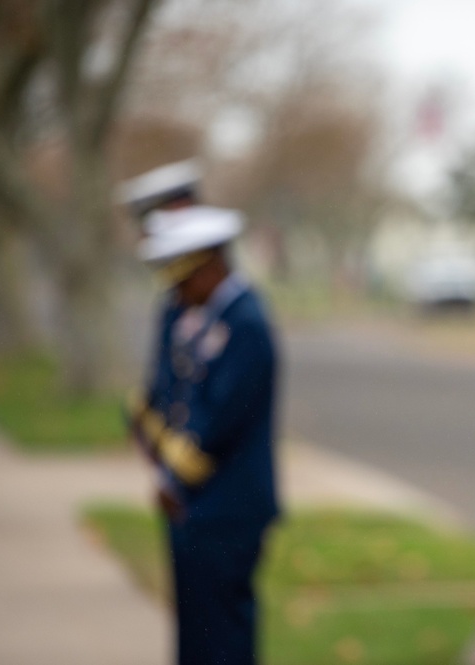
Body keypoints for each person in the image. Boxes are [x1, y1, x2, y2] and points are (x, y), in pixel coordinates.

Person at [124, 200, 280, 665]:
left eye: (183, 276)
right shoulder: (211, 317)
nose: (177, 290)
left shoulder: (246, 324)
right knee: (196, 636)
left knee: (223, 640)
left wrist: (172, 477)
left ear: (211, 266)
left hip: (227, 507)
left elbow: (217, 424)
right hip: (197, 505)